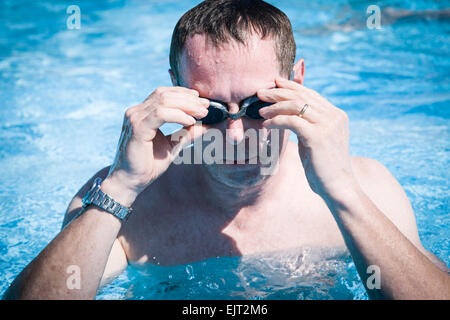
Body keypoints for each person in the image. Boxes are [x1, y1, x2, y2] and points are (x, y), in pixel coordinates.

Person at [4, 0, 449, 300]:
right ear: (176, 93)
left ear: (298, 81)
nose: (237, 137)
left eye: (258, 106)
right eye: (211, 111)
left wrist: (341, 192)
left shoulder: (365, 187)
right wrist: (122, 186)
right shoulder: (119, 206)